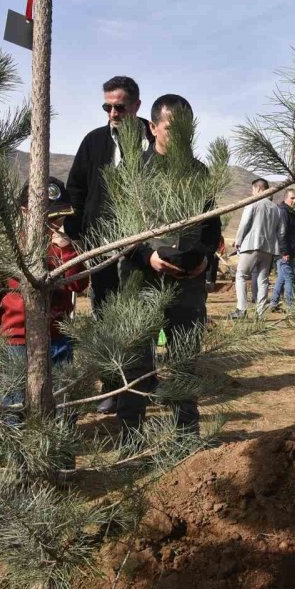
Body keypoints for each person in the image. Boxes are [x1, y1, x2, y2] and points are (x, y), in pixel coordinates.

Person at [115, 94, 221, 440]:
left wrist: (203, 258)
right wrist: (146, 256)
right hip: (141, 282)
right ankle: (131, 439)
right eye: (174, 129)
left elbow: (212, 229)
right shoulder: (134, 170)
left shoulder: (199, 172)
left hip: (187, 286)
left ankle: (186, 437)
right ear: (153, 127)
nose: (182, 137)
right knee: (137, 362)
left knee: (185, 360)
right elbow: (118, 231)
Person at [65, 76, 153, 414]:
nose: (112, 113)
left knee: (140, 316)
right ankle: (112, 385)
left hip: (142, 248)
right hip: (100, 245)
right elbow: (76, 189)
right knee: (104, 314)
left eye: (120, 106)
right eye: (107, 107)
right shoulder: (93, 141)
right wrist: (77, 234)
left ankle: (142, 383)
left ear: (136, 106)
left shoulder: (153, 141)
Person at [0, 178, 88, 424]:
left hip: (58, 338)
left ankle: (61, 445)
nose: (56, 225)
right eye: (49, 219)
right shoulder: (8, 249)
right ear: (25, 212)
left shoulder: (62, 248)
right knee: (15, 401)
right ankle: (16, 444)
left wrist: (67, 250)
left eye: (60, 218)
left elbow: (78, 284)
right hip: (16, 341)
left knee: (61, 401)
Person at [232, 178, 282, 318]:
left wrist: (238, 240)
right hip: (269, 248)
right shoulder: (276, 209)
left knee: (241, 275)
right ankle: (260, 313)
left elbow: (244, 223)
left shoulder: (253, 202)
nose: (252, 192)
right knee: (263, 280)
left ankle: (241, 309)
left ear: (258, 189)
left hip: (251, 245)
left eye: (253, 189)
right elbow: (280, 230)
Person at [270, 188, 295, 310]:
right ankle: (290, 306)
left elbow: (290, 233)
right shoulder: (284, 211)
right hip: (284, 252)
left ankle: (274, 302)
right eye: (292, 198)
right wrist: (285, 252)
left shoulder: (291, 212)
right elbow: (282, 233)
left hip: (287, 251)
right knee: (289, 278)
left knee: (282, 278)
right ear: (286, 198)